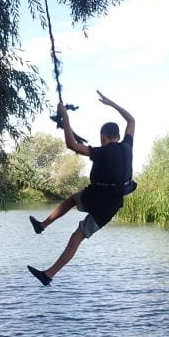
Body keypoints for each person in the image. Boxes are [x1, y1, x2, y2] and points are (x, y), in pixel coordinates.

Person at [27, 90, 135, 286]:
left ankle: (42, 226)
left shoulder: (102, 151)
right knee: (78, 235)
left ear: (103, 137)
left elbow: (72, 144)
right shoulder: (127, 146)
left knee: (72, 200)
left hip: (97, 198)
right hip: (112, 205)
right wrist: (111, 103)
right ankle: (48, 273)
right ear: (118, 136)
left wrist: (65, 116)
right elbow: (131, 120)